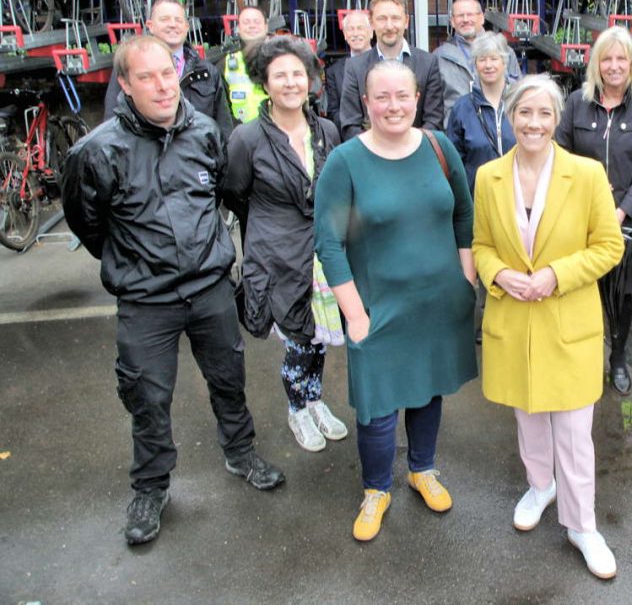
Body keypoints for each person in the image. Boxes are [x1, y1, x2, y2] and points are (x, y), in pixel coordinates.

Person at [61, 35, 285, 547]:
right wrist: (135, 263)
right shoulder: (97, 152)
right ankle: (151, 487)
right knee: (146, 397)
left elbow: (225, 195)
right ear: (125, 85)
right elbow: (87, 224)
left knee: (229, 377)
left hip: (209, 289)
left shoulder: (206, 131)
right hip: (146, 301)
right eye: (147, 77)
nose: (162, 86)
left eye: (167, 73)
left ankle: (240, 452)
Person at [314, 60, 477, 542]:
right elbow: (329, 244)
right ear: (366, 103)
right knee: (378, 407)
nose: (393, 106)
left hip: (438, 302)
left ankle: (422, 469)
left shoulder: (437, 146)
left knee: (428, 390)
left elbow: (463, 215)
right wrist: (356, 315)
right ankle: (376, 489)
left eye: (402, 96)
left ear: (417, 99)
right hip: (378, 308)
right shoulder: (345, 161)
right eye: (381, 97)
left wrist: (465, 279)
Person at [473, 74, 625, 580]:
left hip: (568, 323)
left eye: (543, 114)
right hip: (514, 322)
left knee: (576, 434)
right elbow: (481, 247)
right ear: (510, 117)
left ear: (557, 119)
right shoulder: (489, 176)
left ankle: (582, 525)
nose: (533, 123)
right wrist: (500, 274)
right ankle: (541, 486)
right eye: (524, 113)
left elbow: (609, 246)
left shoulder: (585, 174)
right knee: (528, 418)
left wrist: (556, 276)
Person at [223, 35, 347, 453]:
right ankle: (297, 407)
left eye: (298, 73)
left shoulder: (327, 130)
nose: (291, 82)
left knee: (318, 338)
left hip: (321, 256)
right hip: (277, 258)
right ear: (265, 82)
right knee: (296, 342)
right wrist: (268, 229)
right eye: (280, 75)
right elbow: (236, 194)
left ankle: (315, 399)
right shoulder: (247, 137)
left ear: (311, 79)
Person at [556, 25, 632, 396]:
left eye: (621, 58)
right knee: (578, 290)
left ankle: (617, 359)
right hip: (580, 219)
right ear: (596, 64)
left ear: (631, 64)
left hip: (629, 222)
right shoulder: (576, 102)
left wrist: (619, 211)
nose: (614, 66)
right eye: (607, 58)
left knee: (620, 296)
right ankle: (580, 358)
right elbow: (561, 156)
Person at [103, 0, 232, 137]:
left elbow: (223, 129)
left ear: (186, 27)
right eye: (165, 19)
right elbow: (112, 124)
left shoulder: (207, 72)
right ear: (150, 26)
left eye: (178, 20)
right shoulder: (131, 67)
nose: (172, 24)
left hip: (196, 156)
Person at [337, 0, 444, 139]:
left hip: (416, 155)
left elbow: (434, 121)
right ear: (372, 22)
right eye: (382, 19)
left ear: (406, 21)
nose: (389, 26)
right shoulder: (355, 67)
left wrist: (407, 148)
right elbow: (349, 125)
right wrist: (380, 149)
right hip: (371, 158)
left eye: (395, 18)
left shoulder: (428, 63)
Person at [445, 31, 516, 192]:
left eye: (494, 58)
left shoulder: (520, 104)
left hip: (517, 198)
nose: (488, 65)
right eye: (482, 59)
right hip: (476, 198)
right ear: (475, 64)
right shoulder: (462, 108)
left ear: (504, 62)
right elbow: (454, 164)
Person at [435, 0, 521, 122]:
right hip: (458, 132)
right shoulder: (439, 56)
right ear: (452, 21)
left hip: (500, 129)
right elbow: (435, 104)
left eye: (470, 14)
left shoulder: (505, 52)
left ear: (481, 17)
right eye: (460, 16)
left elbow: (518, 93)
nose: (465, 19)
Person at [324, 9, 373, 126]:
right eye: (351, 29)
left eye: (360, 28)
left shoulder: (386, 63)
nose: (355, 33)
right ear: (345, 35)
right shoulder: (333, 71)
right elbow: (333, 112)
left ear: (371, 32)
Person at [223, 6, 271, 125]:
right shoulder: (227, 63)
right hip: (241, 135)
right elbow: (222, 108)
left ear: (266, 27)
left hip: (278, 132)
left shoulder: (282, 58)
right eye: (246, 22)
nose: (252, 26)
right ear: (238, 28)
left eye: (256, 22)